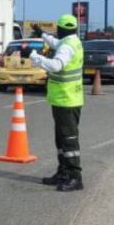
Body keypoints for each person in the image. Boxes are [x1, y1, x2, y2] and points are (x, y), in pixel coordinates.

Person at [29, 13, 85, 192]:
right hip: (64, 99)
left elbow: (56, 65)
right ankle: (64, 173)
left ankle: (75, 177)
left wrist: (35, 57)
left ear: (61, 29)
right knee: (61, 140)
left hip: (67, 100)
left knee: (68, 140)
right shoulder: (71, 41)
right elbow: (55, 43)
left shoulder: (67, 46)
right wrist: (42, 33)